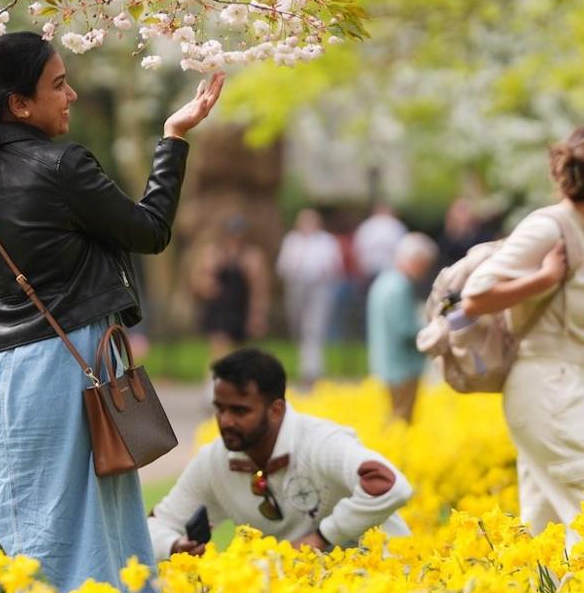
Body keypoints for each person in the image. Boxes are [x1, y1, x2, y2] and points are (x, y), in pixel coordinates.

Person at [0, 29, 223, 593]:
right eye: (59, 85)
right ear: (20, 104)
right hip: (67, 365)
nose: (71, 97)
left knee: (12, 517)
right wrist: (173, 138)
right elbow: (150, 230)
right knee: (85, 515)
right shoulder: (60, 166)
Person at [459, 126, 584, 534]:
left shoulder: (583, 228)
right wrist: (542, 279)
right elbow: (475, 296)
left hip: (562, 389)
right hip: (547, 392)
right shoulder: (549, 226)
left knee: (547, 538)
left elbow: (559, 319)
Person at [149, 349, 411, 558]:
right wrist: (174, 546)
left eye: (239, 411)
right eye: (220, 409)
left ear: (276, 410)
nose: (225, 421)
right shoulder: (214, 461)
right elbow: (154, 525)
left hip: (385, 582)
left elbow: (391, 486)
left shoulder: (320, 442)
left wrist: (324, 537)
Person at [366, 232, 438, 423]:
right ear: (415, 260)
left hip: (386, 364)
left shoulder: (383, 281)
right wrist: (435, 327)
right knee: (401, 420)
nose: (425, 271)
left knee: (394, 418)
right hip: (402, 368)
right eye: (425, 264)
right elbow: (405, 330)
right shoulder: (400, 286)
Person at [275, 208, 343, 388]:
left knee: (314, 328)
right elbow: (283, 266)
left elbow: (334, 266)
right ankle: (305, 365)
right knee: (299, 328)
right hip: (297, 286)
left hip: (319, 287)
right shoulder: (292, 240)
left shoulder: (326, 241)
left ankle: (312, 371)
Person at [190, 216, 270, 360]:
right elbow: (197, 280)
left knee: (243, 356)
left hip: (241, 309)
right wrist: (208, 286)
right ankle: (216, 379)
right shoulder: (214, 254)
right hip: (220, 309)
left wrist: (257, 316)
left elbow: (259, 290)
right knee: (219, 350)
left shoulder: (251, 257)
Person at [352, 202, 407, 289]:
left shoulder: (366, 226)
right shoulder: (396, 225)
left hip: (370, 270)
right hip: (391, 270)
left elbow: (357, 250)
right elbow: (404, 249)